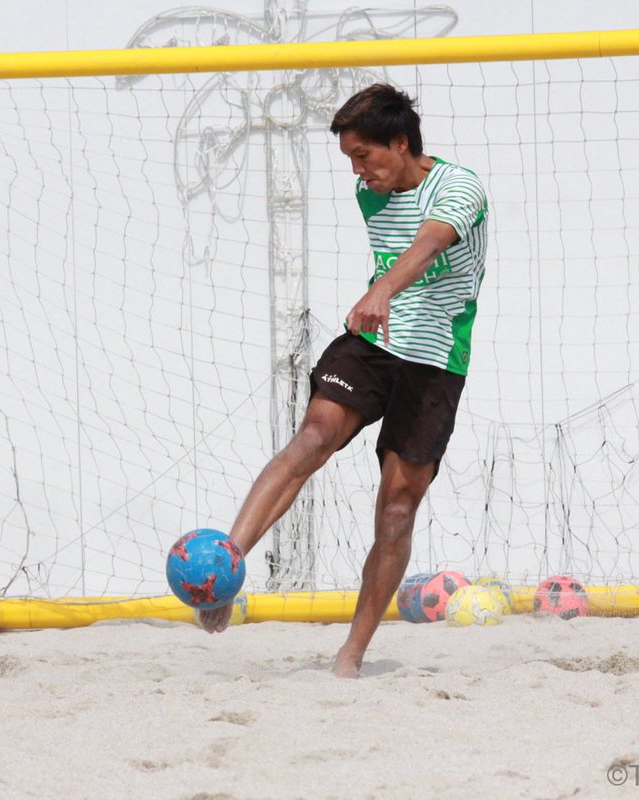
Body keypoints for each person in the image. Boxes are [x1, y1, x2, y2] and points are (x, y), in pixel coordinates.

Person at [197, 83, 489, 678]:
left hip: (435, 360)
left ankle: (350, 657)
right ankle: (223, 573)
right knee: (311, 439)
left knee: (397, 508)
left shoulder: (460, 187)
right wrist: (378, 300)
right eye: (351, 159)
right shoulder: (370, 191)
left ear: (400, 142)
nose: (357, 170)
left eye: (364, 155)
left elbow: (431, 243)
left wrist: (382, 289)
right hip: (374, 339)